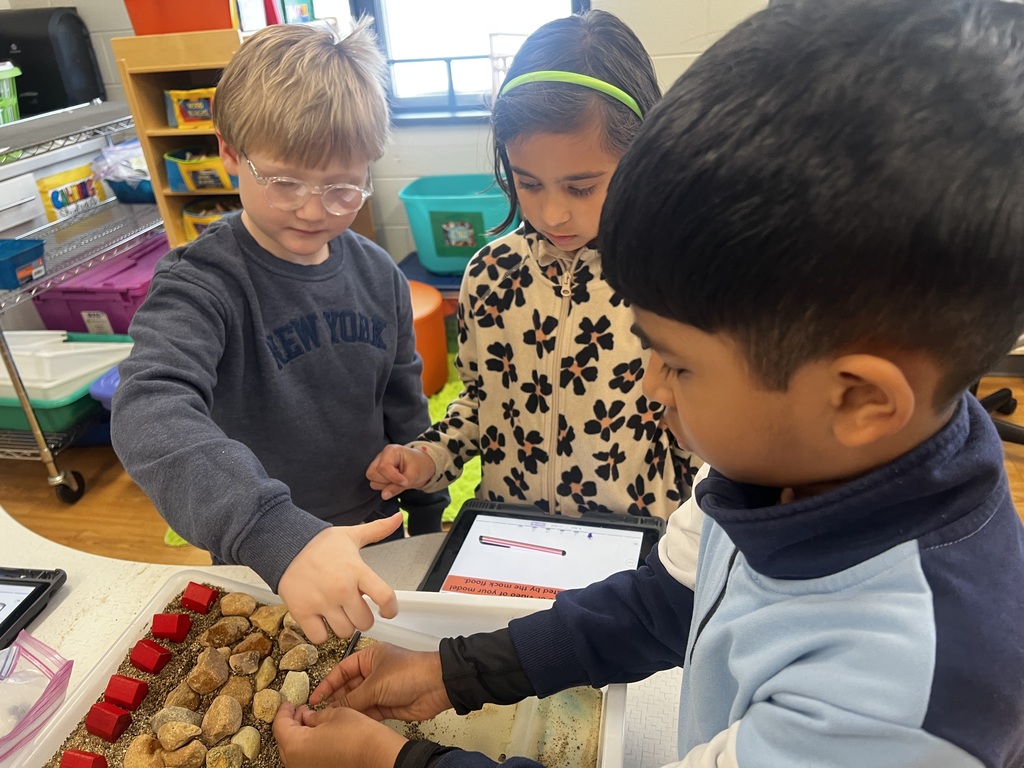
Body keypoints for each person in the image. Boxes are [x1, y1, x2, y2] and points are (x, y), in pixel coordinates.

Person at [272, 0, 1024, 764]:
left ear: (859, 397)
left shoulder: (904, 705)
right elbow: (664, 602)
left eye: (679, 363)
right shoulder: (775, 472)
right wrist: (450, 673)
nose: (653, 388)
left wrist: (390, 760)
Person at [110, 21, 448, 644]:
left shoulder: (379, 275)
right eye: (285, 182)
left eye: (342, 187)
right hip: (264, 554)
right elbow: (148, 410)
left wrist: (424, 494)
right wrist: (272, 533)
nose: (314, 209)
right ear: (231, 153)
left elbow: (407, 409)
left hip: (377, 539)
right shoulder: (202, 282)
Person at [365, 10, 699, 521]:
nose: (552, 213)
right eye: (528, 182)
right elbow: (480, 405)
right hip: (513, 536)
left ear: (642, 157)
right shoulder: (490, 275)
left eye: (582, 187)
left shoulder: (674, 280)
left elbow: (705, 441)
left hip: (637, 547)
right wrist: (427, 457)